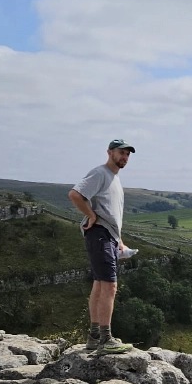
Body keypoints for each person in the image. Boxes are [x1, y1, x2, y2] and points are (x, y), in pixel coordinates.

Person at [68, 139, 138, 353]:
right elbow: (75, 195)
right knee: (110, 286)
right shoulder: (100, 173)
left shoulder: (114, 178)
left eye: (127, 154)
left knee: (100, 285)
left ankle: (94, 337)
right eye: (121, 152)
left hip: (107, 236)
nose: (124, 157)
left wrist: (119, 240)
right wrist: (91, 216)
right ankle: (106, 340)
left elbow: (111, 214)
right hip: (99, 235)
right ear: (109, 152)